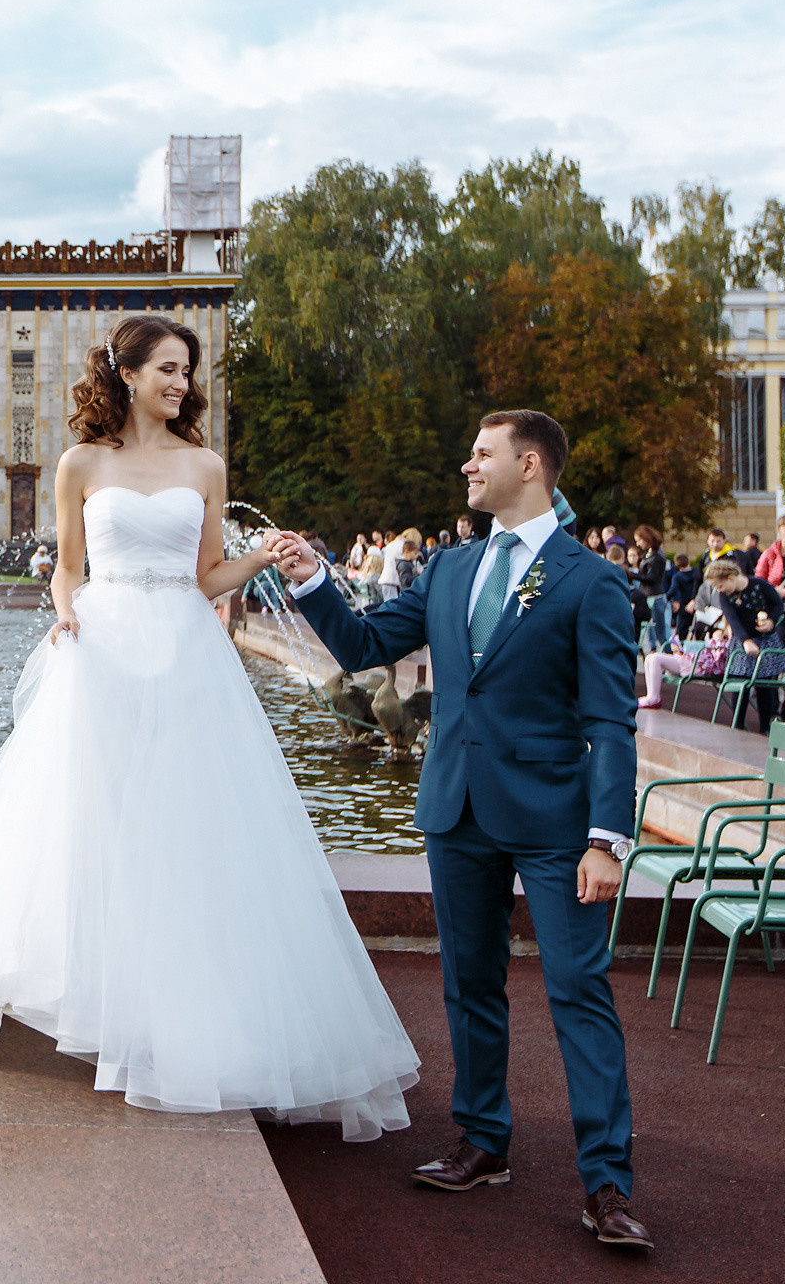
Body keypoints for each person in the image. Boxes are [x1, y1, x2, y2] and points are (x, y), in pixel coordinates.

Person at [0, 313, 420, 1141]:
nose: (182, 382)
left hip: (183, 653)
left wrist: (264, 559)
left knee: (184, 822)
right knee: (84, 817)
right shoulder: (82, 463)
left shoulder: (205, 464)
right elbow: (68, 567)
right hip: (103, 646)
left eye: (188, 369)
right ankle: (86, 994)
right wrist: (67, 616)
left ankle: (182, 1007)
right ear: (129, 373)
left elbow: (206, 574)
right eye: (168, 369)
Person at [277, 410, 650, 1249]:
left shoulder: (590, 581)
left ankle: (608, 1185)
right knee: (469, 983)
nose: (466, 466)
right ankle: (483, 1141)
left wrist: (606, 838)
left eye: (480, 454)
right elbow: (369, 643)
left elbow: (611, 720)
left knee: (578, 995)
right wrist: (310, 584)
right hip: (455, 809)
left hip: (557, 822)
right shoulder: (449, 568)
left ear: (529, 464)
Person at [698, 557, 785, 732]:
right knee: (739, 682)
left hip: (764, 640)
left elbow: (778, 605)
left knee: (764, 684)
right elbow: (733, 620)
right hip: (742, 641)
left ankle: (765, 726)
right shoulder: (725, 596)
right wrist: (745, 641)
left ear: (731, 578)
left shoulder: (760, 585)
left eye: (720, 585)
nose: (719, 590)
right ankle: (738, 724)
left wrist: (771, 621)